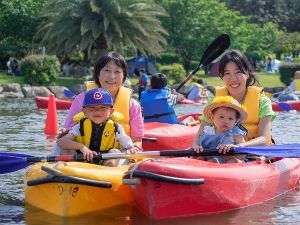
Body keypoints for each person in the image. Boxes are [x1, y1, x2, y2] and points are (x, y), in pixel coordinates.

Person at [193, 49, 275, 157]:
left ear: (247, 73)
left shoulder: (263, 101)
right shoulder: (215, 102)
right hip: (221, 154)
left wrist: (239, 147)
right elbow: (200, 135)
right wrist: (196, 146)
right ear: (222, 76)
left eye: (238, 72)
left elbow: (265, 138)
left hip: (255, 154)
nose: (233, 79)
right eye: (227, 73)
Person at [58, 52, 143, 154]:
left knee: (115, 153)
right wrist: (64, 132)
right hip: (82, 152)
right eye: (107, 70)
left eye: (117, 72)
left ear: (124, 76)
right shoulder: (81, 99)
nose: (112, 76)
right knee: (63, 148)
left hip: (117, 153)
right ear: (98, 73)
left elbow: (137, 140)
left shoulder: (133, 105)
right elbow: (68, 130)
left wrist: (134, 148)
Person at [57, 88, 135, 166]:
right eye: (92, 108)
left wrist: (132, 150)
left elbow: (130, 147)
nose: (97, 111)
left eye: (103, 108)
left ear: (111, 112)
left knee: (115, 152)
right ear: (84, 111)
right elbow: (61, 141)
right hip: (82, 160)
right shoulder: (79, 127)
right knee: (66, 148)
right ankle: (71, 170)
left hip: (105, 160)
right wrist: (82, 147)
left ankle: (107, 171)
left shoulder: (116, 128)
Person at [193, 96, 248, 163]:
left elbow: (243, 154)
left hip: (227, 159)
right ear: (213, 118)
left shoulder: (236, 133)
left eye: (230, 119)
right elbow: (198, 145)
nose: (225, 121)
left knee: (231, 161)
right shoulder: (208, 131)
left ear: (235, 121)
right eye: (221, 117)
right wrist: (197, 147)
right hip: (208, 156)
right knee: (199, 158)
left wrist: (234, 147)